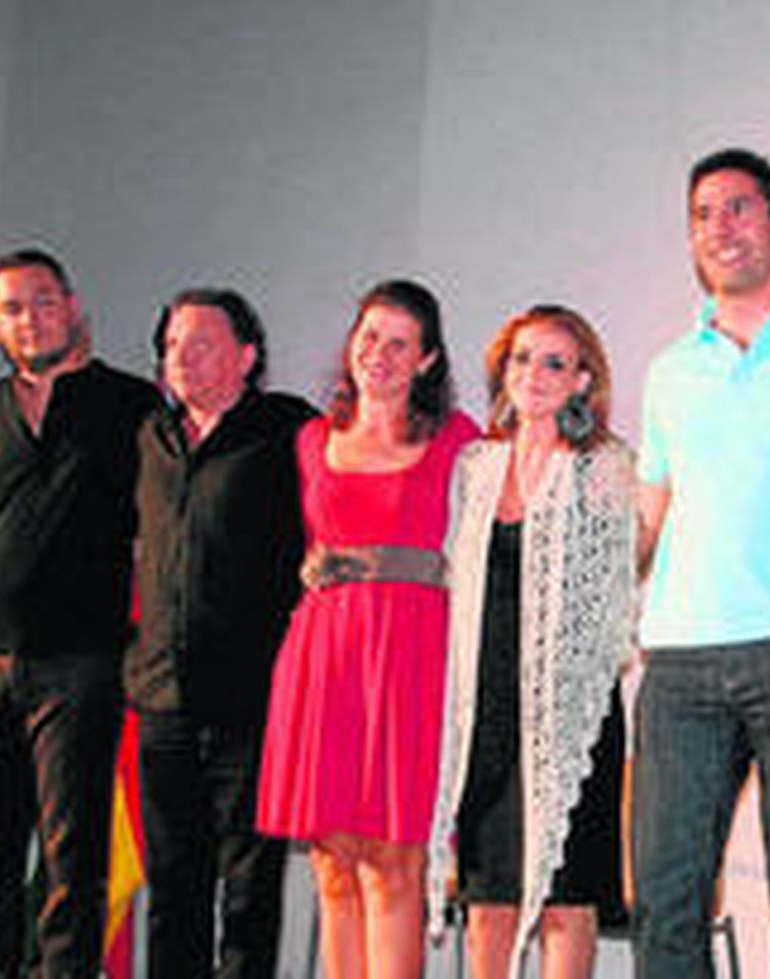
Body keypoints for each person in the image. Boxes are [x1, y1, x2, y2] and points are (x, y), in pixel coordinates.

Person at [631, 147, 770, 978]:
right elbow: (650, 512)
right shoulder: (668, 369)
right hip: (679, 658)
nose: (722, 226)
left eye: (740, 207)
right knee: (666, 895)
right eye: (704, 213)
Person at [0, 247, 160, 977]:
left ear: (73, 306)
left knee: (71, 863)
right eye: (11, 307)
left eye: (43, 301)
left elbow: (154, 535)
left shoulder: (130, 406)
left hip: (80, 662)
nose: (29, 319)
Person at [255, 279, 478, 979]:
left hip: (410, 656)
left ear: (428, 360)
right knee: (333, 864)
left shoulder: (458, 440)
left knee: (393, 863)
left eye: (398, 343)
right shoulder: (310, 439)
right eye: (368, 336)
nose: (378, 353)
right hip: (323, 657)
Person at [427, 304, 634, 979]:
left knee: (563, 901)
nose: (535, 374)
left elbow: (613, 599)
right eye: (522, 358)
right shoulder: (475, 466)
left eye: (554, 362)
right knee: (489, 898)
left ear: (581, 380)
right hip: (486, 712)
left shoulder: (603, 467)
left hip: (570, 715)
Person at [129, 288, 315, 978]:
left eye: (201, 342)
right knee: (173, 886)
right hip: (162, 696)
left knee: (247, 889)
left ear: (246, 355)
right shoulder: (151, 436)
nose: (182, 356)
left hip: (253, 701)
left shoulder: (288, 429)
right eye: (172, 344)